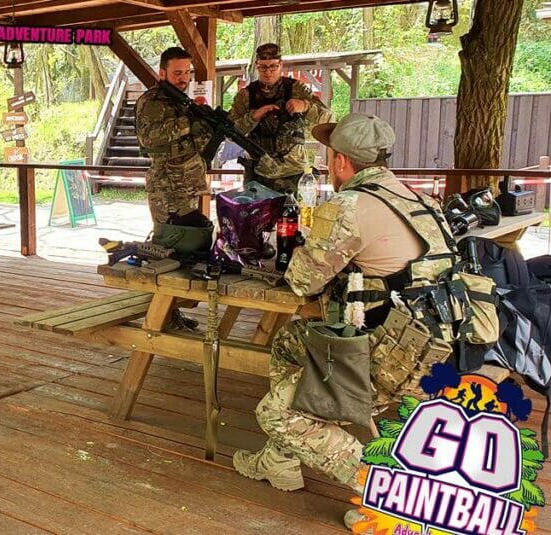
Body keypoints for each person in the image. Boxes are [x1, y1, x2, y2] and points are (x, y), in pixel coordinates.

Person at [229, 114, 456, 531]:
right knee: (292, 341)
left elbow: (302, 281)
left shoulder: (348, 205)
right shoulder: (416, 198)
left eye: (330, 155)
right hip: (439, 346)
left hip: (398, 359)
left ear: (340, 162)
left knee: (277, 414)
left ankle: (388, 495)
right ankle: (281, 459)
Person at [135, 46, 216, 332]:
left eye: (187, 72)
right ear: (162, 73)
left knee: (184, 251)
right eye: (177, 72)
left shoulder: (183, 102)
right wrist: (189, 122)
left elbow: (191, 142)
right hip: (166, 187)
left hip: (186, 186)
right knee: (165, 251)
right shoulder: (152, 101)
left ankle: (171, 312)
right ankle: (160, 317)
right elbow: (149, 138)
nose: (183, 78)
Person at [229, 43, 333, 193]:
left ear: (281, 65)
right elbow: (231, 132)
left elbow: (328, 119)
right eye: (263, 67)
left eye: (273, 66)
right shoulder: (245, 96)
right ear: (257, 66)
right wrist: (253, 117)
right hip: (259, 174)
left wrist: (305, 106)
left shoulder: (296, 89)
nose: (268, 72)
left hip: (294, 173)